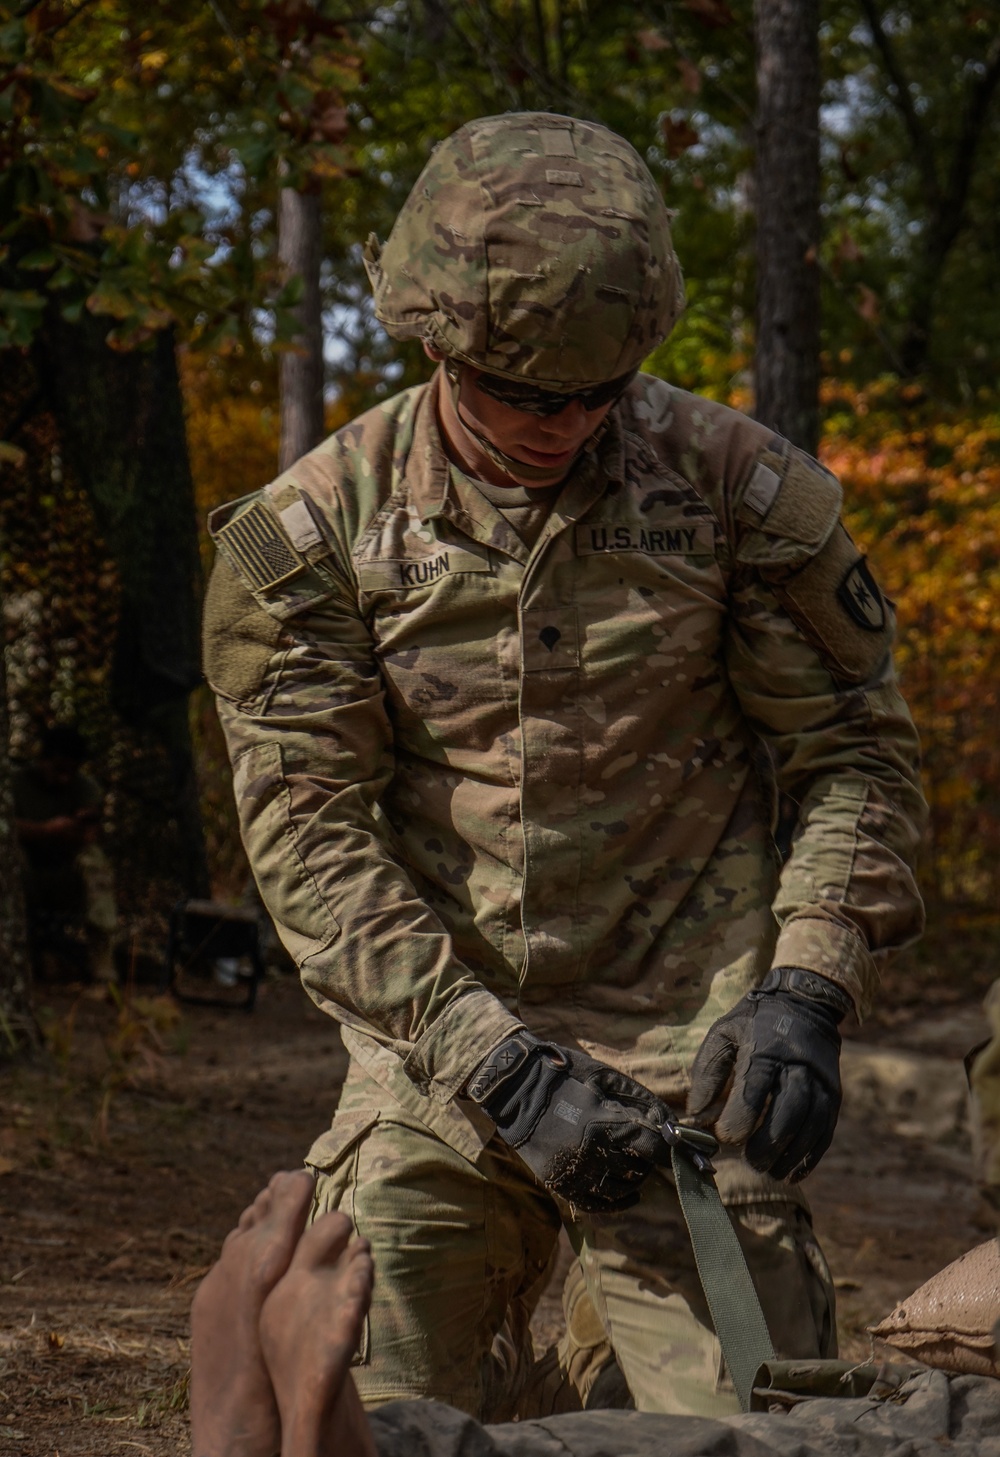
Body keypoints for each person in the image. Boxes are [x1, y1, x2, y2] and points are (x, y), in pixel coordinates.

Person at [202, 110, 926, 1418]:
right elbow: (311, 836)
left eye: (598, 394)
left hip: (687, 1059)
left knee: (749, 1430)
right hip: (440, 1053)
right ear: (439, 344)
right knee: (351, 1414)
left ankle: (620, 1319)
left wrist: (810, 983)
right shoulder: (314, 538)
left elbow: (853, 753)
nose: (563, 425)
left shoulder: (737, 496)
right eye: (524, 396)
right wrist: (492, 1058)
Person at [189, 1169, 1000, 1457]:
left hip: (691, 1075)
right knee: (847, 1434)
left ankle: (401, 1451)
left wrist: (811, 982)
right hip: (448, 1060)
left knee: (795, 1438)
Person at [12, 723, 118, 983]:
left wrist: (79, 826)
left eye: (70, 771)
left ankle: (102, 965)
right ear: (43, 761)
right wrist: (45, 830)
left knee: (94, 861)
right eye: (58, 770)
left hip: (65, 876)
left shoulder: (84, 787)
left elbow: (90, 835)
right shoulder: (14, 783)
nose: (64, 778)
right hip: (22, 876)